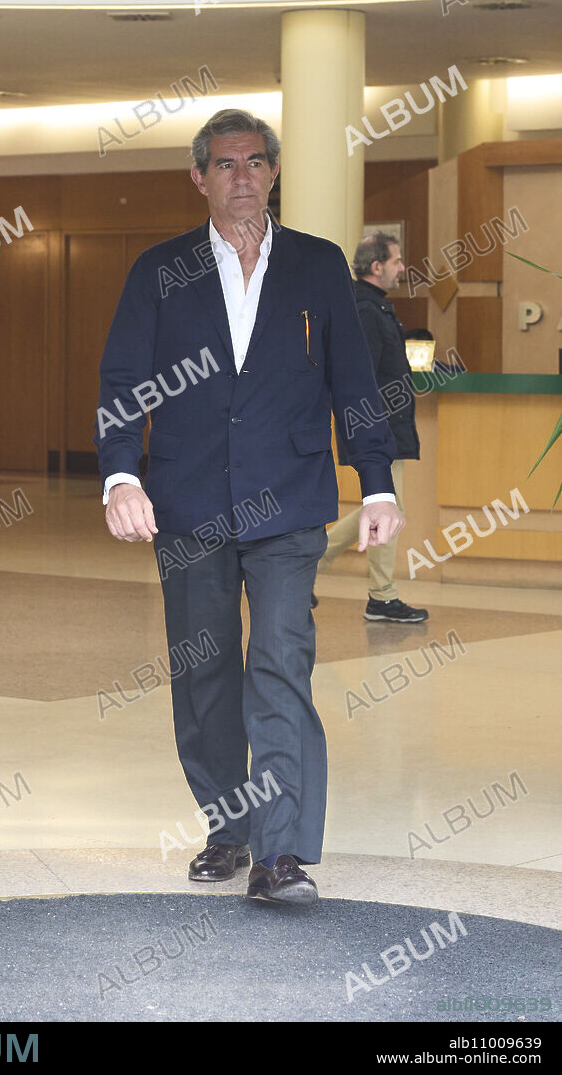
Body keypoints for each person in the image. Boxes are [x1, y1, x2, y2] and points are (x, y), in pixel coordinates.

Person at [94, 110, 404, 906]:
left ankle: (281, 854)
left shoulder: (316, 265)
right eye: (225, 163)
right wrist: (119, 475)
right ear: (199, 177)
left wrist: (375, 483)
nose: (242, 175)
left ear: (273, 173)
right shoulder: (158, 270)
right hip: (188, 506)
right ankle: (227, 828)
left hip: (288, 506)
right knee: (204, 674)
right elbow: (123, 379)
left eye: (255, 162)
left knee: (278, 665)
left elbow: (354, 387)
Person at [315, 232, 428, 624]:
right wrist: (372, 433)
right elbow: (359, 378)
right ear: (376, 266)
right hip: (378, 429)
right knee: (386, 509)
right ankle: (381, 596)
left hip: (387, 427)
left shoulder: (375, 305)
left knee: (384, 510)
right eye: (397, 261)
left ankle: (308, 569)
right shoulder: (364, 309)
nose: (402, 268)